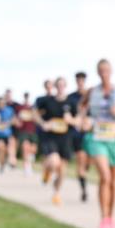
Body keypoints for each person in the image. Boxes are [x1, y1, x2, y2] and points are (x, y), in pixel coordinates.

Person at [80, 59, 115, 228]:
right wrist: (83, 119)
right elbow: (81, 107)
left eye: (107, 70)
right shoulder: (92, 91)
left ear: (111, 71)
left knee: (114, 182)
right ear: (97, 72)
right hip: (97, 137)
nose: (104, 73)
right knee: (105, 177)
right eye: (101, 70)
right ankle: (103, 216)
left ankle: (110, 217)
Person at [36, 77, 76, 205]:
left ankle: (56, 194)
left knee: (62, 171)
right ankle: (47, 170)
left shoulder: (71, 102)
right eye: (58, 85)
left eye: (62, 85)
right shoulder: (48, 101)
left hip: (65, 138)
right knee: (54, 161)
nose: (60, 87)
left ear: (65, 86)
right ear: (55, 87)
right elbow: (34, 113)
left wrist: (72, 120)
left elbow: (79, 119)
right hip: (51, 137)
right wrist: (43, 123)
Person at [67, 71, 91, 202]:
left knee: (88, 161)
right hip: (77, 134)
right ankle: (84, 190)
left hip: (91, 133)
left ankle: (84, 174)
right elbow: (67, 116)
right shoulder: (71, 97)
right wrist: (75, 121)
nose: (80, 82)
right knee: (81, 160)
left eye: (82, 79)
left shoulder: (91, 96)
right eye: (78, 80)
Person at [14, 91, 39, 176]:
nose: (26, 98)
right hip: (23, 131)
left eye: (27, 97)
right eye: (25, 97)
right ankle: (26, 167)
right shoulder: (20, 107)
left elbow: (37, 119)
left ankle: (30, 160)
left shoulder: (33, 108)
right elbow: (16, 119)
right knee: (25, 147)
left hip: (32, 131)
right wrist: (18, 122)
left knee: (33, 150)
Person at [0, 96, 16, 172]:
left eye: (3, 103)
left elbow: (14, 119)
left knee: (9, 149)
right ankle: (2, 165)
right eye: (0, 103)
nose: (1, 104)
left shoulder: (10, 110)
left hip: (8, 134)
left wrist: (8, 123)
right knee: (0, 148)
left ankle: (11, 161)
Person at [2, 88, 19, 169]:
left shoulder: (15, 105)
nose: (8, 97)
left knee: (12, 145)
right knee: (4, 147)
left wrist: (9, 123)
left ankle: (12, 161)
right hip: (2, 130)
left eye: (9, 95)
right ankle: (8, 160)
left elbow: (17, 117)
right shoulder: (2, 105)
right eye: (7, 95)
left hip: (13, 129)